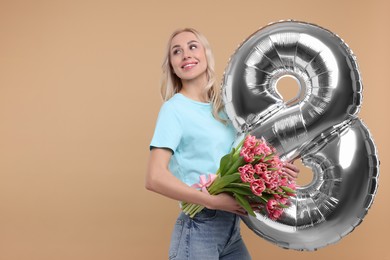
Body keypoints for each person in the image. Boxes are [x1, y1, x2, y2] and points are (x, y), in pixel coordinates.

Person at [145, 28, 299, 260]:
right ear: (172, 65)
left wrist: (279, 170)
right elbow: (154, 177)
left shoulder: (225, 110)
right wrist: (212, 200)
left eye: (193, 46)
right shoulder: (174, 109)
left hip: (231, 230)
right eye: (177, 51)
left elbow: (243, 164)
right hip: (198, 228)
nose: (186, 54)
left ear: (206, 54)